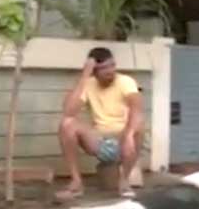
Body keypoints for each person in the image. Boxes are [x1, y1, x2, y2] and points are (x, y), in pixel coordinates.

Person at [56, 46, 144, 200]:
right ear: (94, 71)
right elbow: (69, 112)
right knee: (67, 124)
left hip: (124, 139)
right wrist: (84, 76)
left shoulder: (126, 81)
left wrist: (129, 135)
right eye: (104, 68)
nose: (110, 70)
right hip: (99, 139)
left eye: (112, 65)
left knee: (138, 125)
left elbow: (136, 111)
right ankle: (76, 183)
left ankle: (124, 182)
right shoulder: (88, 83)